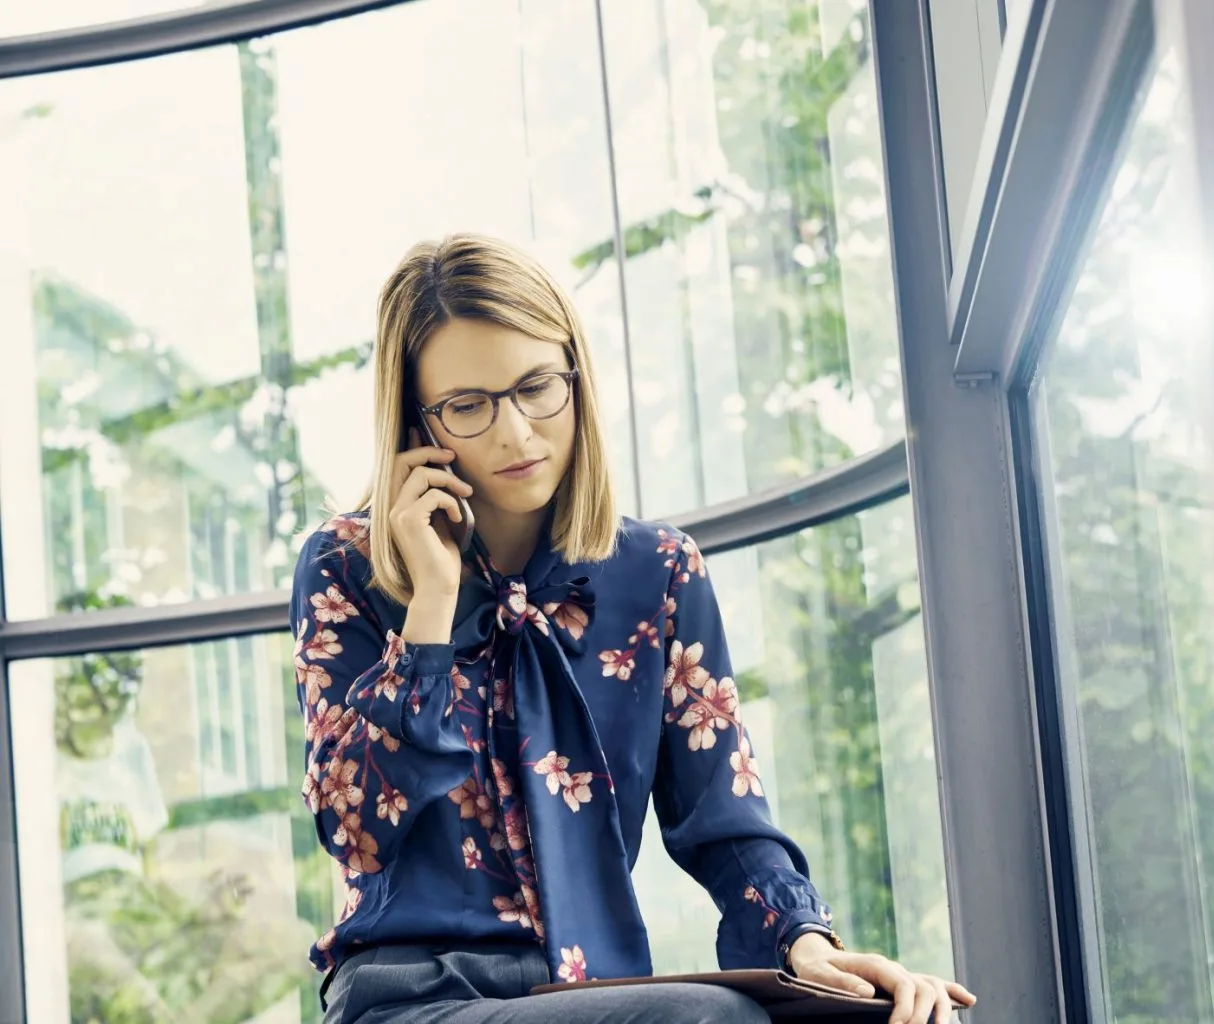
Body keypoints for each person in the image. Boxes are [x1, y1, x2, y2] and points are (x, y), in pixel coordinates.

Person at [290, 234, 975, 1024]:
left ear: (576, 379)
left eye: (537, 387)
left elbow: (724, 815)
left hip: (595, 992)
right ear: (415, 423)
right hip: (416, 999)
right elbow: (355, 829)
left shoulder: (660, 572)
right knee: (705, 1021)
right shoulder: (347, 566)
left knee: (881, 1017)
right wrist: (432, 609)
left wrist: (807, 944)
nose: (515, 433)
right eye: (469, 407)